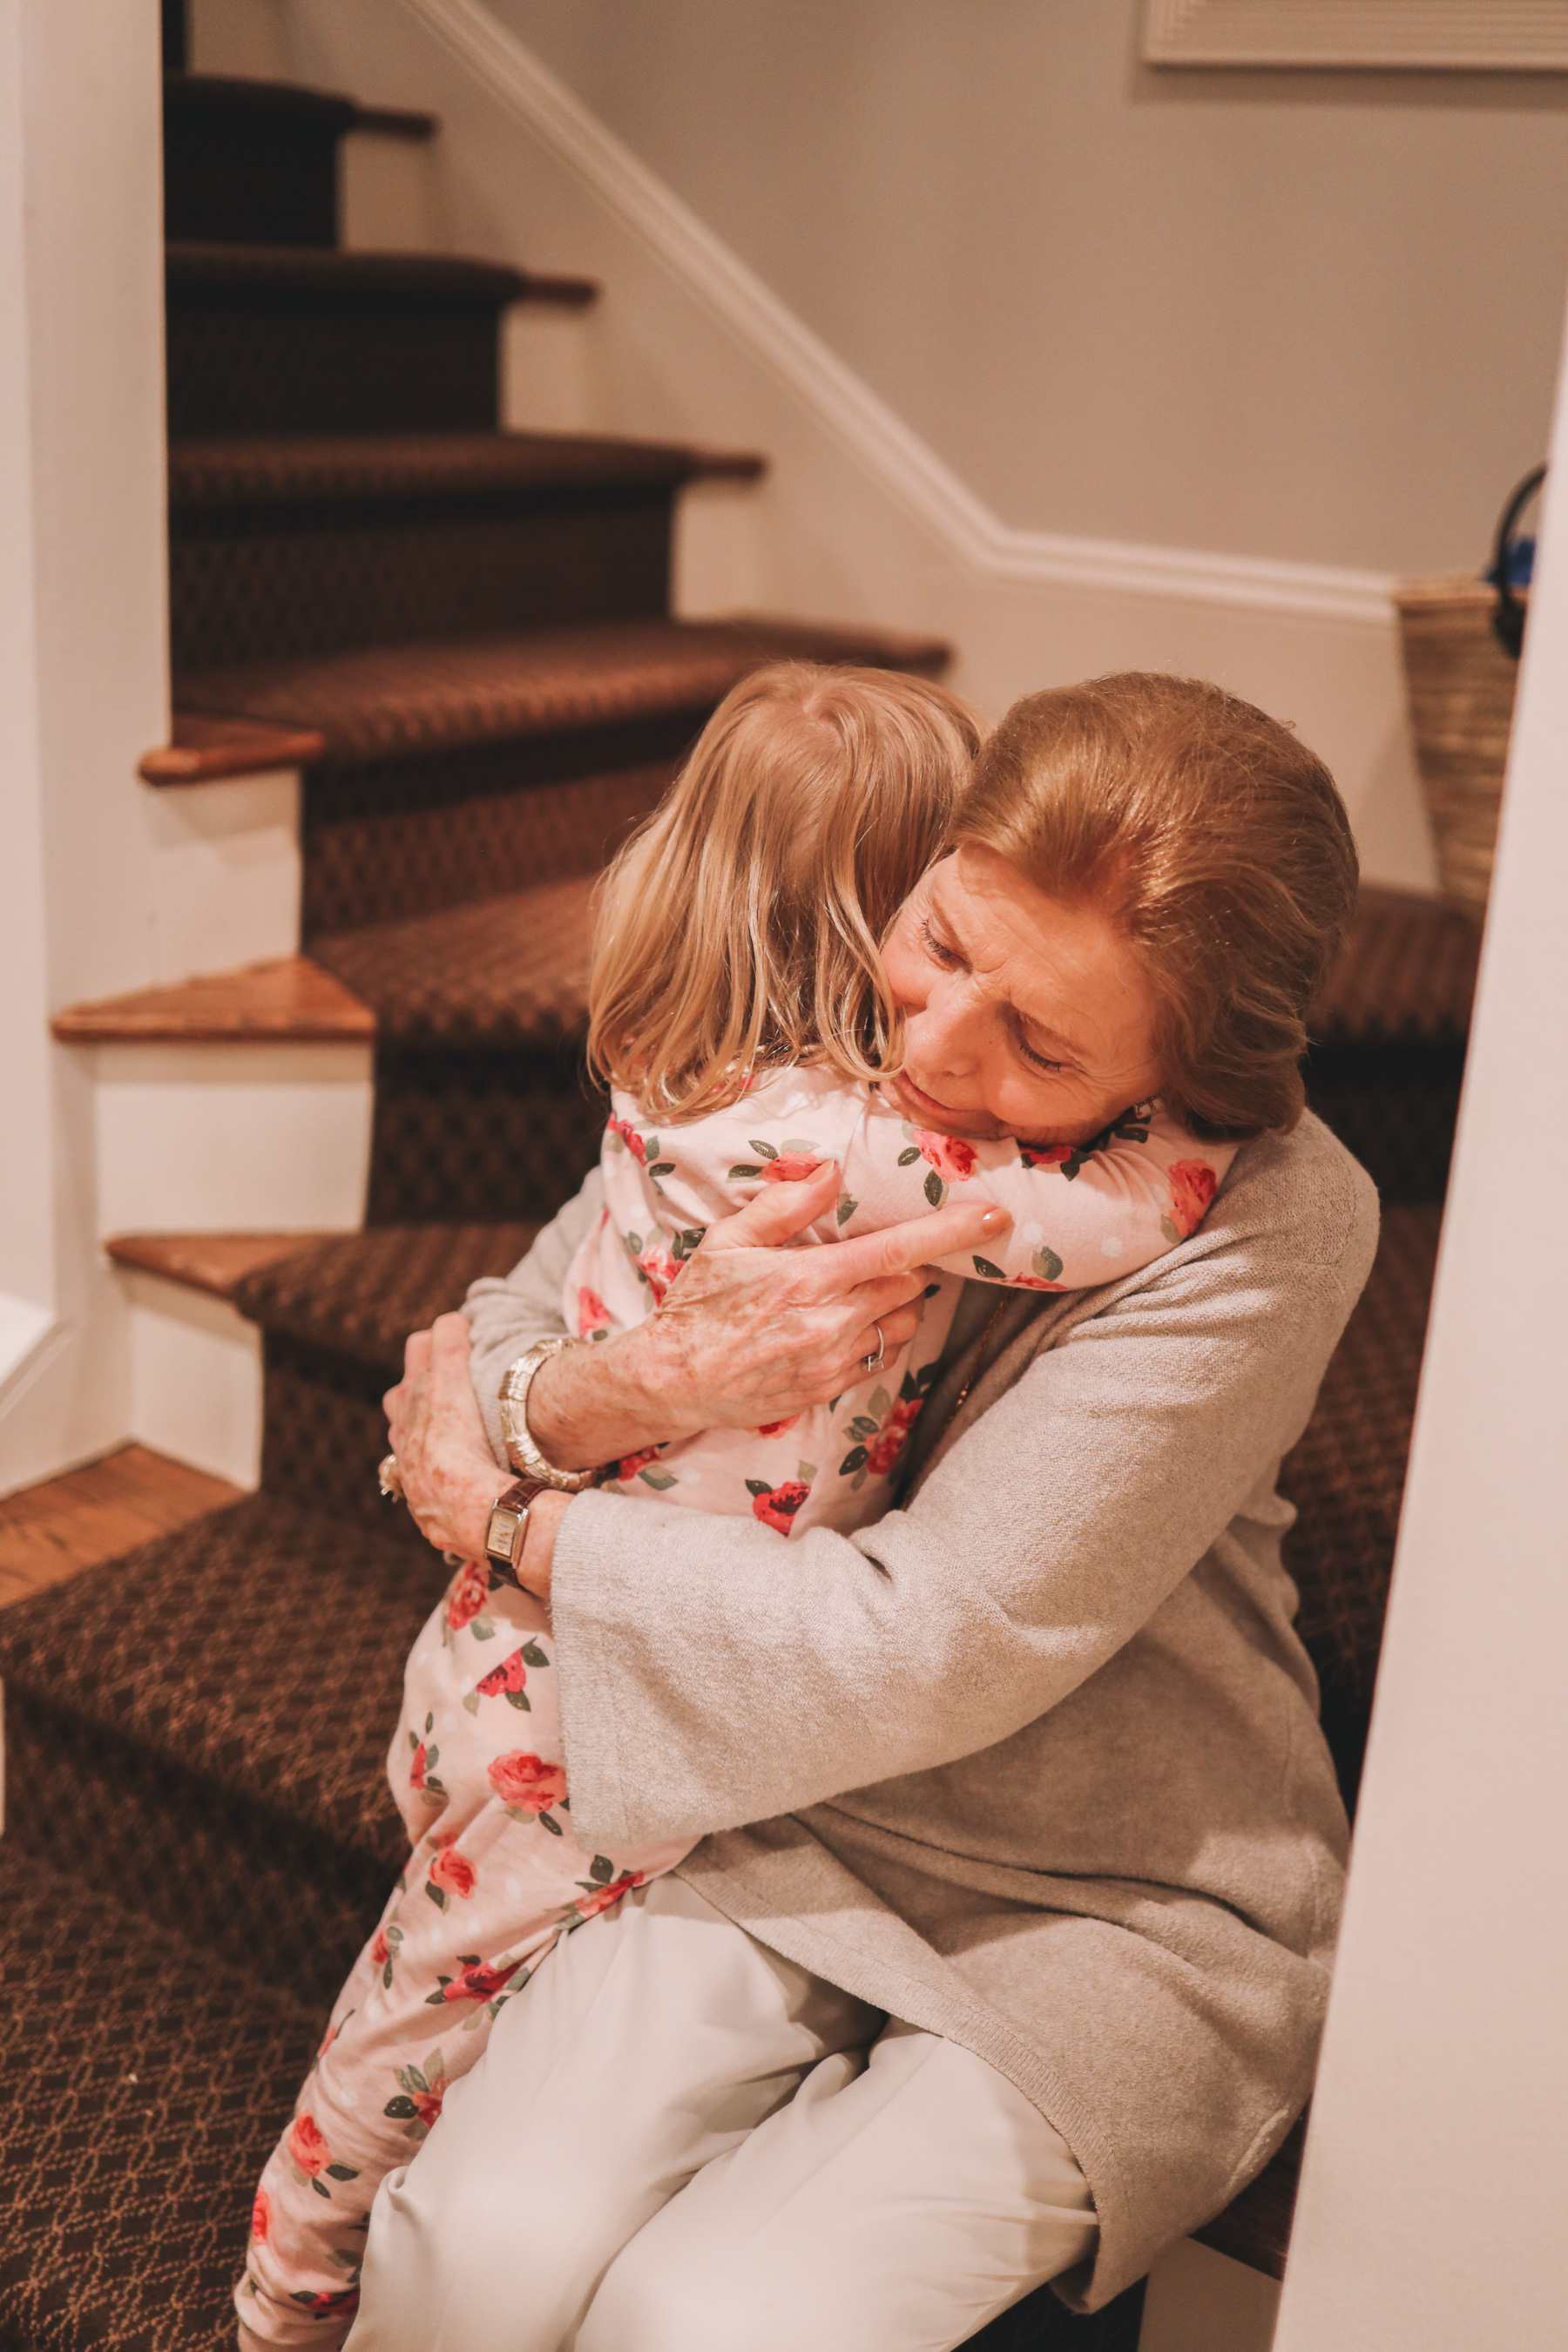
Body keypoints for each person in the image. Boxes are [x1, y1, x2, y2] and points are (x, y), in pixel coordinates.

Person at [350, 672, 1377, 2351]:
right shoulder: (833, 1018)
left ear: (1193, 1077)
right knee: (469, 2256)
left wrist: (512, 1529)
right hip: (771, 1804)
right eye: (947, 942)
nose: (933, 1048)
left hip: (1102, 1884)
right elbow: (535, 1295)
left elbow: (934, 1644)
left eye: (1041, 1045)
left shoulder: (1278, 1216)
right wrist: (606, 1399)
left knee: (708, 2323)